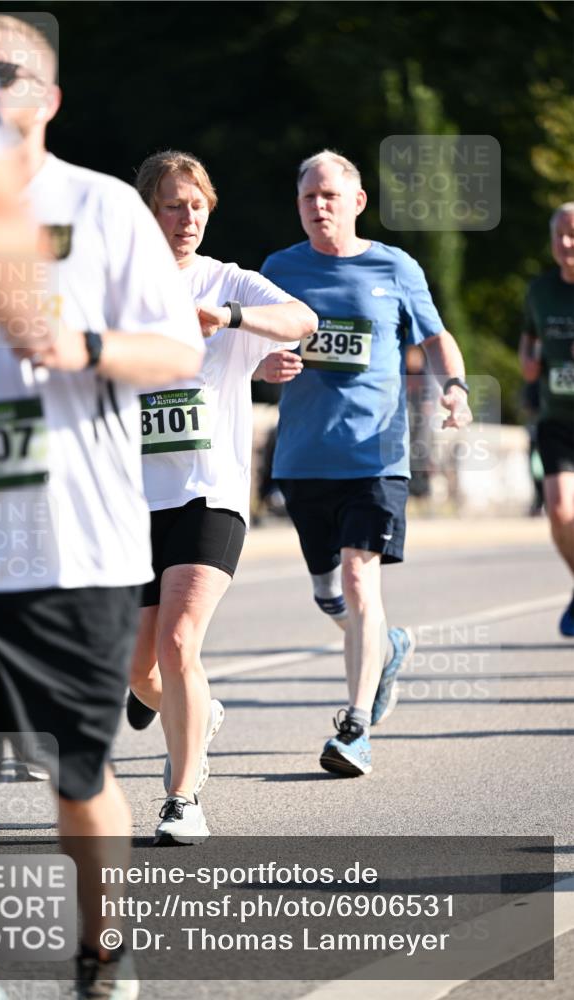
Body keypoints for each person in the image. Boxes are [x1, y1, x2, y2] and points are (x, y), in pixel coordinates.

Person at [0, 15, 204, 1000]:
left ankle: (103, 950)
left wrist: (84, 346)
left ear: (44, 98)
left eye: (1, 73)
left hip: (73, 549)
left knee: (76, 776)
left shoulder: (102, 208)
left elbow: (174, 351)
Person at [261, 150, 472, 778]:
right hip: (303, 458)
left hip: (376, 456)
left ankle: (355, 728)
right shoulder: (279, 269)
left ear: (357, 202)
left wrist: (453, 387)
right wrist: (264, 365)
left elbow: (434, 336)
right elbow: (244, 348)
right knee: (330, 595)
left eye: (330, 195)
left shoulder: (394, 266)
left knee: (360, 581)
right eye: (308, 198)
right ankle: (389, 645)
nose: (319, 206)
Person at [126, 150, 317, 844]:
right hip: (128, 504)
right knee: (140, 670)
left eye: (196, 206)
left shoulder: (227, 281)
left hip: (209, 493)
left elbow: (302, 320)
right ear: (149, 211)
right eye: (173, 206)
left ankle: (182, 799)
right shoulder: (117, 288)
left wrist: (234, 319)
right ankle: (197, 716)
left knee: (180, 641)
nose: (186, 219)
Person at [519, 203, 574, 636]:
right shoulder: (540, 290)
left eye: (573, 234)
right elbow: (529, 340)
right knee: (558, 512)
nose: (567, 243)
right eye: (560, 235)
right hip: (556, 419)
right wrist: (529, 364)